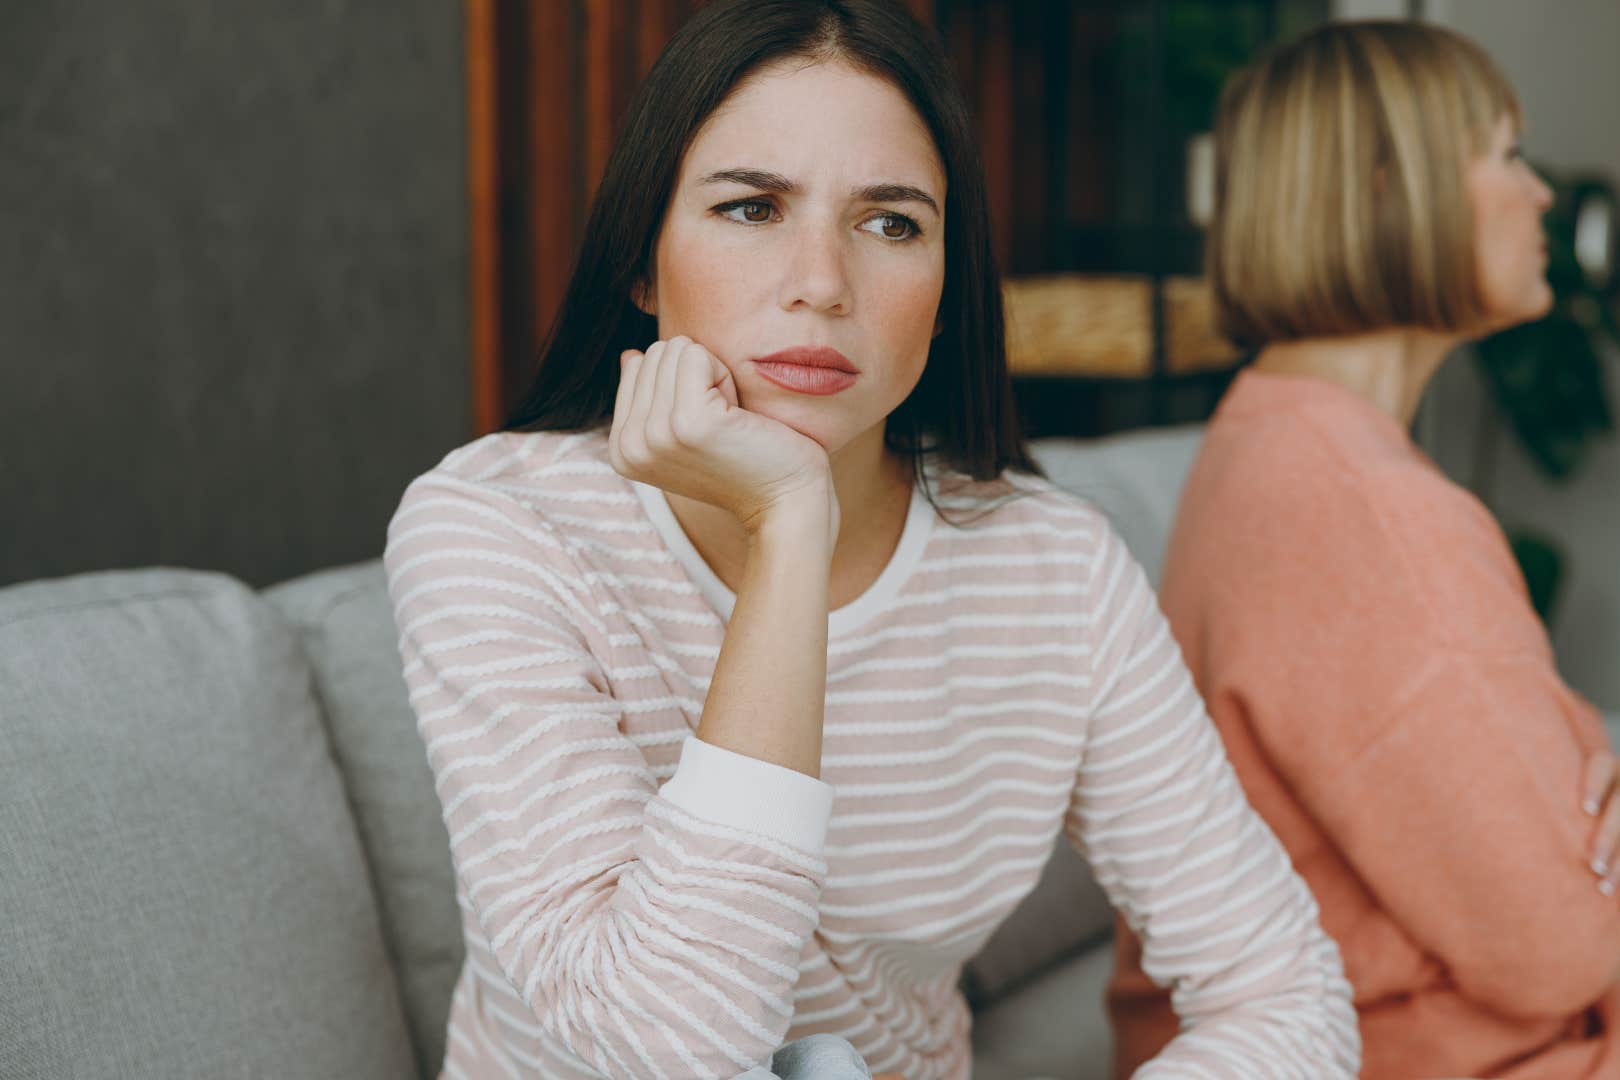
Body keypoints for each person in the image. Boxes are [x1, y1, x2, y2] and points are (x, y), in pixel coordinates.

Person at [383, 2, 1358, 1078]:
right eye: (752, 207)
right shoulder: (499, 529)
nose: (823, 281)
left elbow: (1285, 993)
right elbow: (663, 1052)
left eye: (891, 223)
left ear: (945, 298)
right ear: (644, 266)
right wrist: (790, 528)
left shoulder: (1057, 572)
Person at [1104, 19, 1620, 1080]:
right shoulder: (1377, 517)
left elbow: (1516, 767)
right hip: (1396, 1047)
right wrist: (1595, 814)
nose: (1544, 194)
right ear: (1396, 193)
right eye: (1507, 154)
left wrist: (1592, 786)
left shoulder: (1265, 429)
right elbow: (1558, 944)